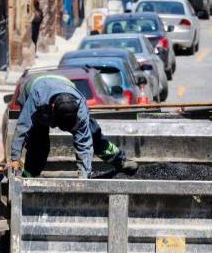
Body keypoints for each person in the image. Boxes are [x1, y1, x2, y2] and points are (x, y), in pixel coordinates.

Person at [8, 75, 138, 179]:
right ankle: (29, 177)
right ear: (53, 109)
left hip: (63, 84)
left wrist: (84, 177)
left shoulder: (80, 105)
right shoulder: (37, 99)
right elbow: (23, 127)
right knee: (39, 144)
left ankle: (119, 160)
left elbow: (84, 144)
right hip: (34, 89)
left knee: (93, 133)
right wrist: (15, 158)